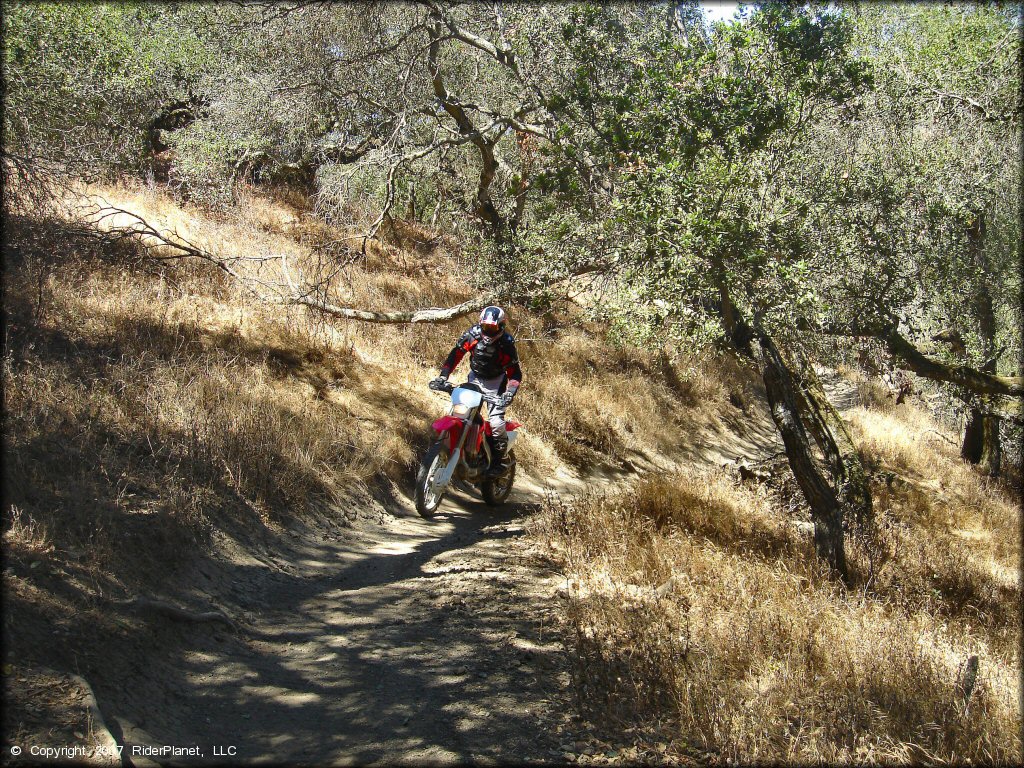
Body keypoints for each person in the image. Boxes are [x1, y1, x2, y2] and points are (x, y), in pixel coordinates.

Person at [429, 305, 522, 476]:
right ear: (480, 324)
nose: (489, 331)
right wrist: (443, 377)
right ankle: (467, 449)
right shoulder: (472, 335)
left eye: (493, 327)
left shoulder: (506, 344)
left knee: (495, 422)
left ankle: (498, 462)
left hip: (497, 383)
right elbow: (456, 354)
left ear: (501, 327)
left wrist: (509, 393)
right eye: (486, 327)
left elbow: (515, 373)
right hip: (475, 378)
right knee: (462, 412)